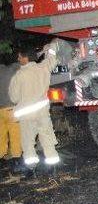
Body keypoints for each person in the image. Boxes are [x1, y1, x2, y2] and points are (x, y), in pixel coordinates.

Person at [9, 40, 62, 175]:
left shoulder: (19, 75)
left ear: (25, 58)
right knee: (48, 140)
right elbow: (52, 59)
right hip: (43, 114)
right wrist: (50, 47)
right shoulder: (43, 68)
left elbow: (14, 98)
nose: (18, 59)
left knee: (28, 144)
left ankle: (31, 170)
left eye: (20, 56)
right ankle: (53, 170)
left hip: (27, 117)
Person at [0, 62, 22, 172]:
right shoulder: (10, 70)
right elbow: (19, 65)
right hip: (11, 109)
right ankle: (16, 161)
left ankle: (1, 161)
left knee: (1, 137)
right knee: (15, 136)